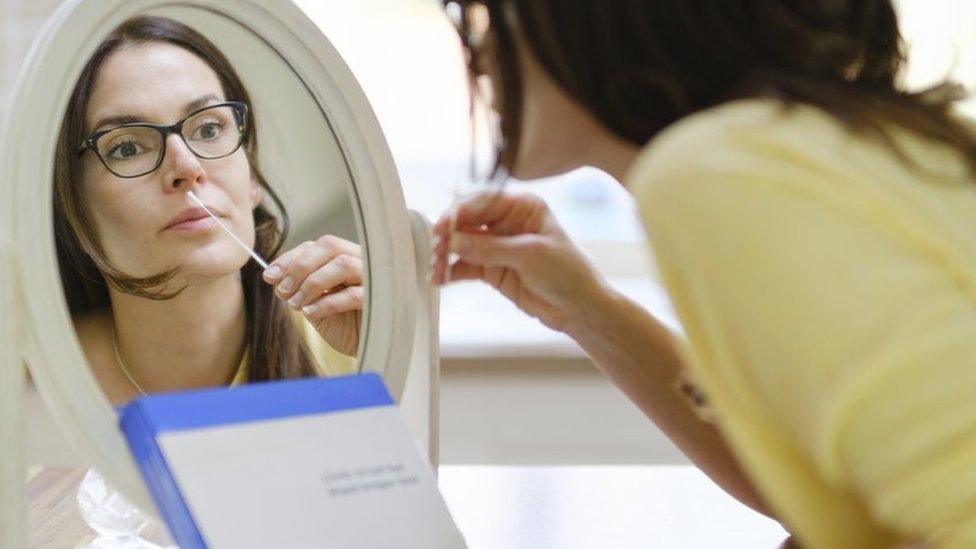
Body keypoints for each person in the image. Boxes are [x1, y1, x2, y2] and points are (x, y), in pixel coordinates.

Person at [431, 2, 976, 547]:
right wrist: (584, 304)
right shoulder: (885, 141)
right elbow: (807, 483)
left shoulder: (719, 171)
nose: (481, 55)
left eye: (501, 14)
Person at [54, 16, 364, 406]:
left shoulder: (347, 344)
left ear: (251, 176)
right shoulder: (30, 387)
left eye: (208, 129)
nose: (186, 167)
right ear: (75, 211)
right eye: (128, 147)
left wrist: (395, 338)